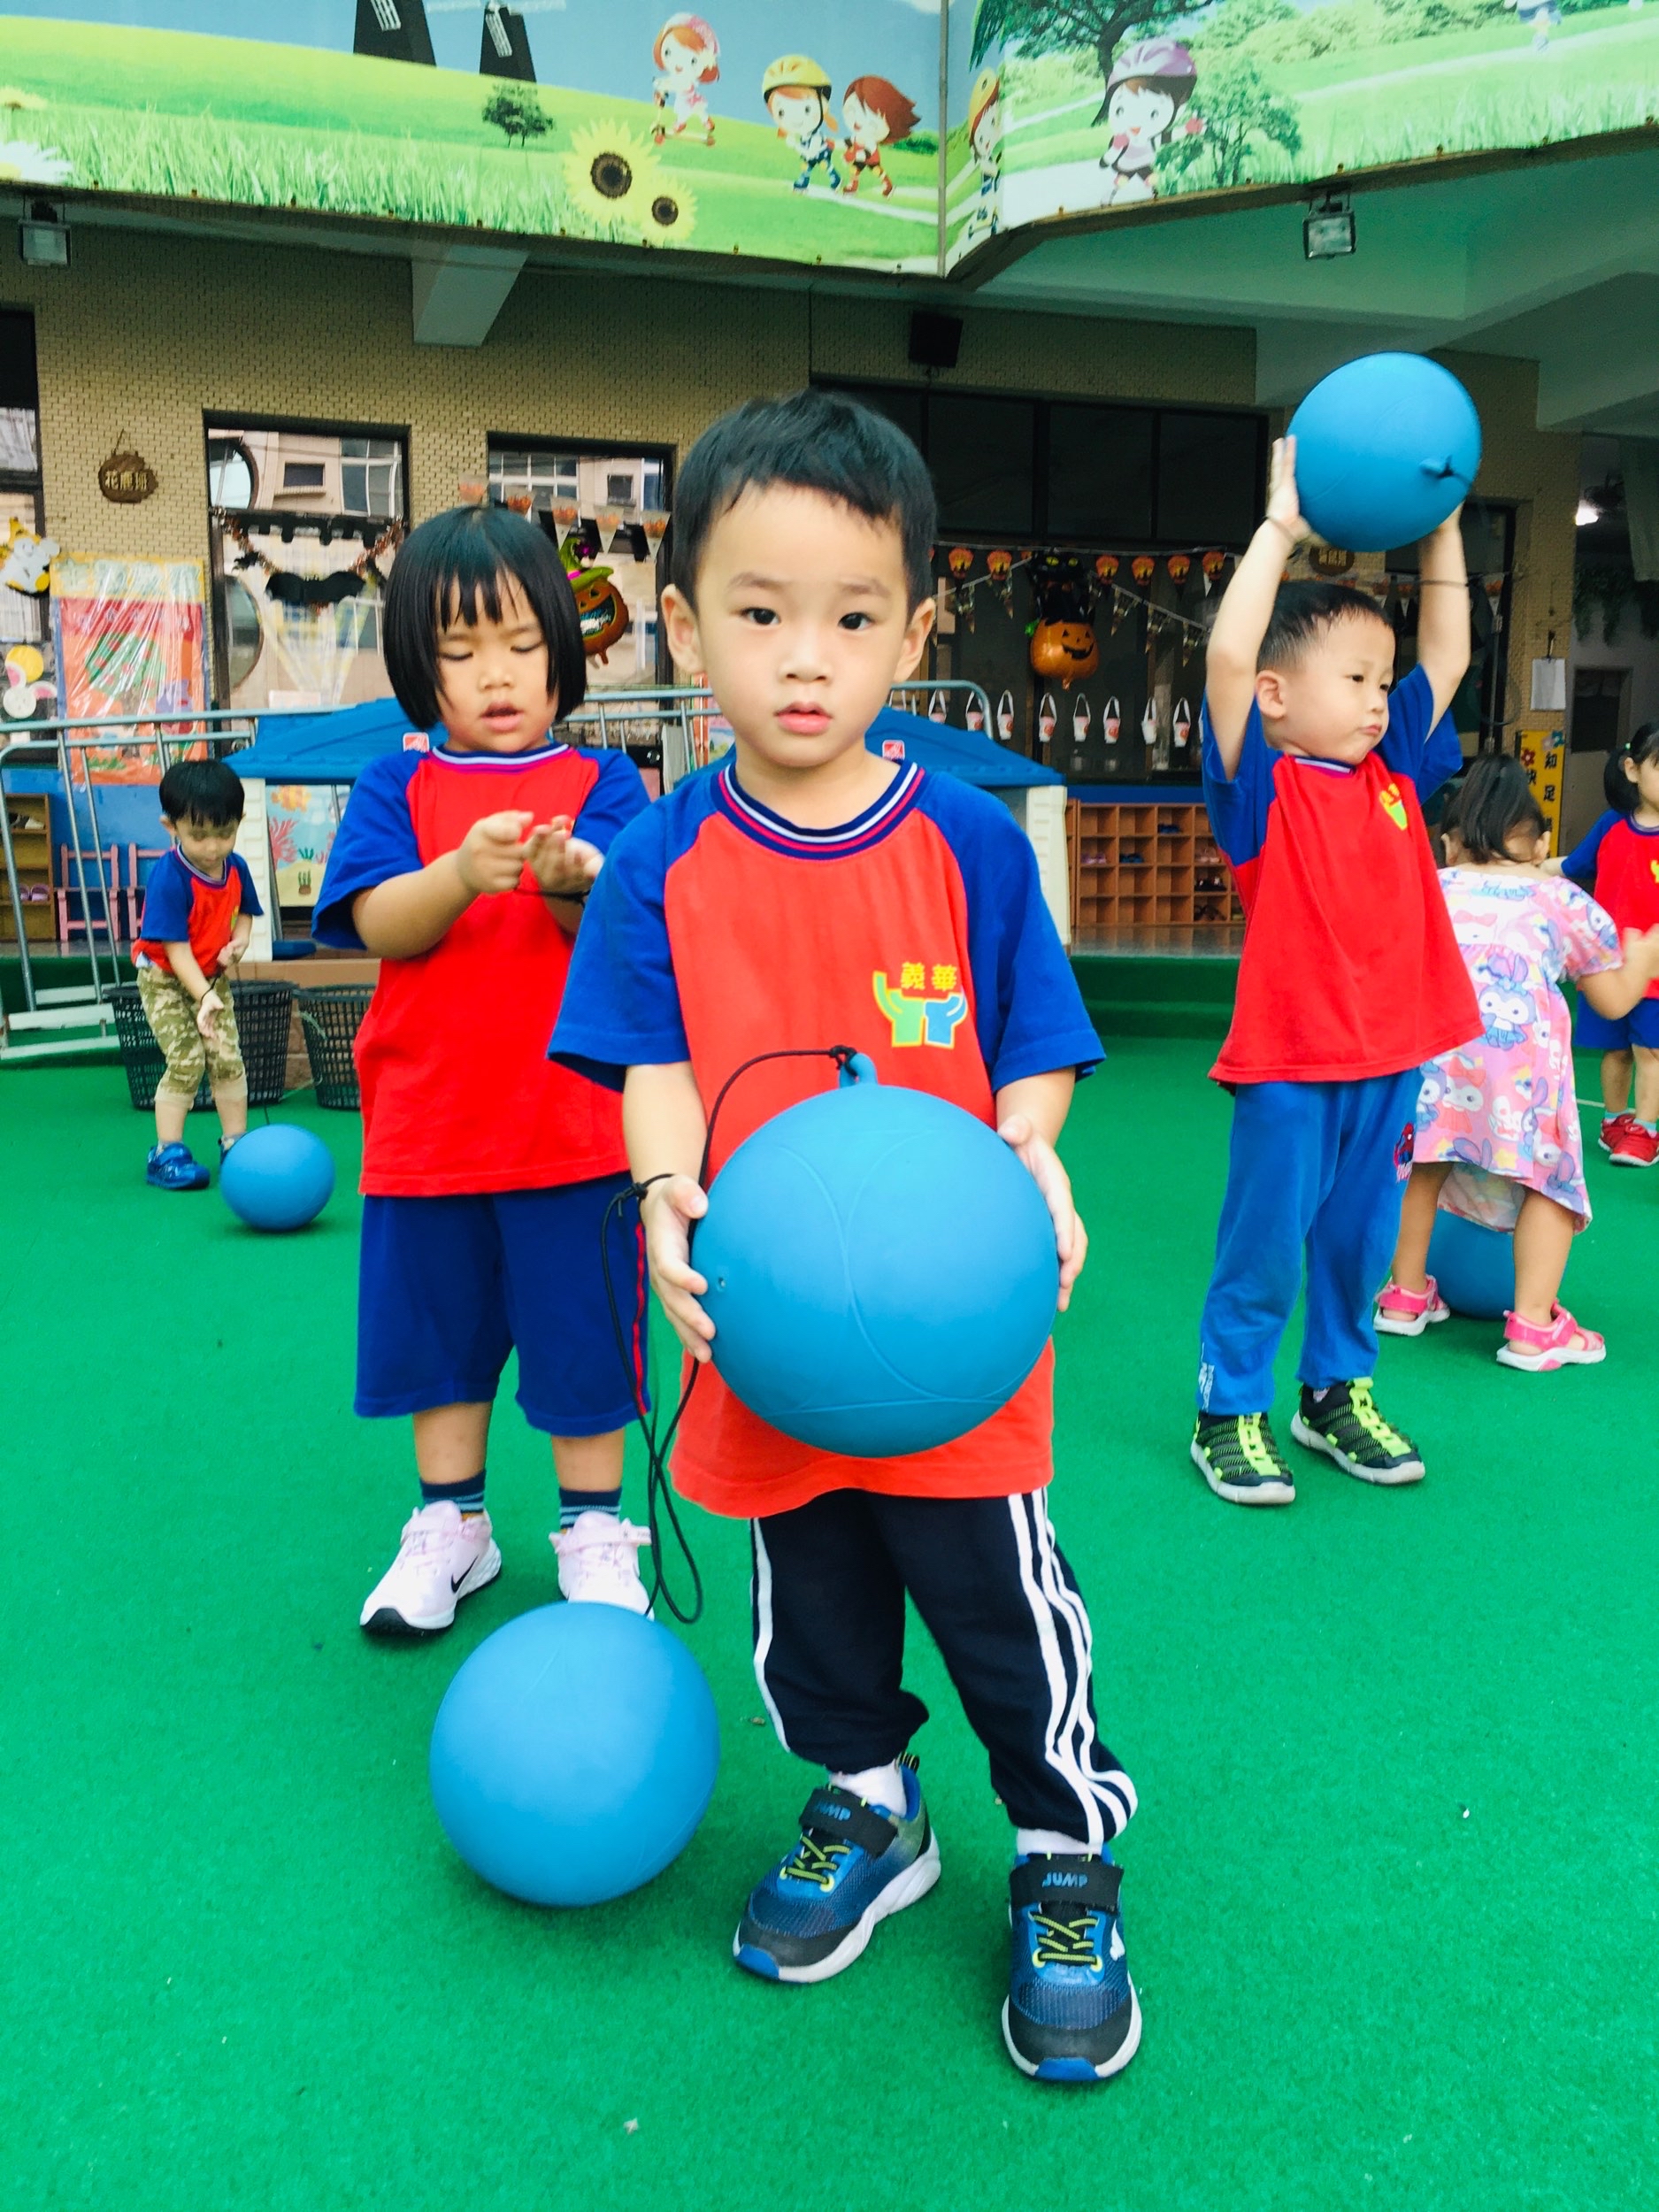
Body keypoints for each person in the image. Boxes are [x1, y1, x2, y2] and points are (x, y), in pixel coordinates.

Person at [551, 389, 1139, 2086]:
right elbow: (654, 1068)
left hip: (954, 1336)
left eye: (854, 620)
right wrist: (666, 1194)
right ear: (684, 627)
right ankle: (871, 1802)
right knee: (806, 1596)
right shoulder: (660, 862)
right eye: (760, 614)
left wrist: (1035, 1162)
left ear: (917, 633)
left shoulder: (967, 841)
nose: (805, 660)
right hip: (767, 1330)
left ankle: (1062, 1847)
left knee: (997, 1603)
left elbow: (1034, 1049)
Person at [311, 504, 651, 1640]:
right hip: (431, 1132)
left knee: (584, 1340)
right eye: (459, 651)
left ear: (564, 649)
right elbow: (378, 922)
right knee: (439, 1344)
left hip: (577, 1133)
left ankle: (595, 1529)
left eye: (519, 643)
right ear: (422, 669)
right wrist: (460, 872)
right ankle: (451, 1522)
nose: (495, 674)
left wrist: (568, 880)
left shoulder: (607, 780)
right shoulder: (392, 788)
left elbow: (613, 925)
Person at [1190, 438, 1479, 1506]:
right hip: (1289, 1066)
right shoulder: (1261, 789)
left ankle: (1334, 1394)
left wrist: (1442, 525)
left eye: (1380, 680)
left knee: (1361, 1242)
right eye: (1355, 679)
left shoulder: (1394, 767)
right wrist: (1279, 528)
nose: (1377, 699)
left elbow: (1448, 654)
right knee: (1266, 1245)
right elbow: (1228, 659)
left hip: (1390, 1061)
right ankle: (1229, 1408)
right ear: (1275, 696)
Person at [1377, 754, 1659, 1370]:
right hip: (1522, 1074)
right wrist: (1643, 956)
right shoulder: (1558, 898)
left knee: (1421, 1167)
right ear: (1538, 843)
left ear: (1450, 842)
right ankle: (1532, 1326)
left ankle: (1403, 1297)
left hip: (1434, 1058)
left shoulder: (1431, 887)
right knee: (1547, 1180)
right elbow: (1612, 1000)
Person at [133, 757, 262, 1191]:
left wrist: (239, 942)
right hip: (165, 979)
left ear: (239, 821)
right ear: (171, 827)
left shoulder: (236, 867)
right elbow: (176, 949)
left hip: (209, 977)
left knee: (227, 1058)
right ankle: (166, 1153)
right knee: (187, 1059)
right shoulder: (169, 877)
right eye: (199, 835)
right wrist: (204, 996)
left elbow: (246, 912)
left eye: (225, 833)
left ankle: (236, 1145)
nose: (213, 848)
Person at [1548, 723, 1659, 1166]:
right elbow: (1572, 866)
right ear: (1632, 770)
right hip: (1609, 963)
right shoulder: (1611, 825)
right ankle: (1614, 1120)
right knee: (1616, 1049)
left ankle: (1646, 1129)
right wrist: (1524, 865)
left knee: (1651, 1049)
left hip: (1654, 965)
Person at [762, 56, 841, 193]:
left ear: (823, 105)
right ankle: (804, 181)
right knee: (806, 167)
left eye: (807, 109)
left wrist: (795, 146)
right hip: (808, 150)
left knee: (824, 164)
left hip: (820, 152)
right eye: (781, 112)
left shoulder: (816, 137)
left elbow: (811, 153)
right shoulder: (804, 135)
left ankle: (835, 178)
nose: (795, 119)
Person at [840, 74, 918, 198]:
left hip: (871, 158)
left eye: (872, 123)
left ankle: (888, 185)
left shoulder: (870, 141)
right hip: (859, 156)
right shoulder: (858, 136)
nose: (858, 122)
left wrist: (852, 155)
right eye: (852, 111)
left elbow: (867, 153)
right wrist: (834, 145)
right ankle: (853, 187)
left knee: (876, 171)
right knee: (854, 170)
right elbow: (848, 142)